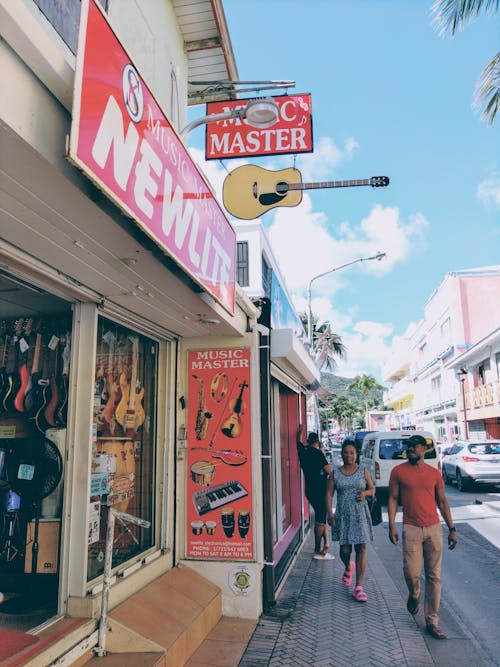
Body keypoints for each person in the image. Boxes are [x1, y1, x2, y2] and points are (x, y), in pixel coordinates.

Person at [388, 433, 458, 640]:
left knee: (434, 576)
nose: (410, 449)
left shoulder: (434, 473)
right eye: (408, 446)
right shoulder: (397, 471)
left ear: (423, 449)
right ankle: (414, 593)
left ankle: (432, 621)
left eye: (414, 446)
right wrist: (392, 525)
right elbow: (392, 498)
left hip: (434, 528)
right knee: (411, 573)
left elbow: (443, 502)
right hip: (411, 528)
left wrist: (452, 528)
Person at [326, 439, 375, 601]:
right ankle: (348, 566)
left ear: (357, 455)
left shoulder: (363, 471)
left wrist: (365, 494)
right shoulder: (336, 473)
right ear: (342, 454)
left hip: (360, 514)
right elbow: (329, 494)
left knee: (361, 548)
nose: (349, 455)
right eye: (346, 452)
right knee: (345, 550)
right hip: (343, 515)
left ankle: (359, 587)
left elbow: (372, 489)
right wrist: (330, 514)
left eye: (352, 453)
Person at [297, 425, 334, 560]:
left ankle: (326, 544)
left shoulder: (303, 451)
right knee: (320, 519)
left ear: (308, 440)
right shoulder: (318, 454)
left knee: (321, 517)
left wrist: (299, 433)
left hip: (309, 490)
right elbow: (330, 471)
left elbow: (298, 443)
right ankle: (317, 549)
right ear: (317, 442)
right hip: (320, 490)